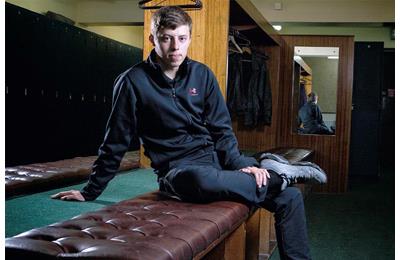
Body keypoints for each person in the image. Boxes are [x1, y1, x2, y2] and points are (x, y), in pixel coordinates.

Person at [52, 6, 315, 259]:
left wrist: (241, 165)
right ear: (153, 38)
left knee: (289, 198)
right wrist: (90, 190)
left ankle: (277, 183)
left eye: (182, 38)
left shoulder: (202, 74)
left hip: (216, 161)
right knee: (200, 178)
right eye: (166, 39)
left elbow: (222, 130)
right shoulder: (132, 81)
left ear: (189, 38)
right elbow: (116, 140)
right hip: (178, 170)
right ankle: (278, 176)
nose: (175, 47)